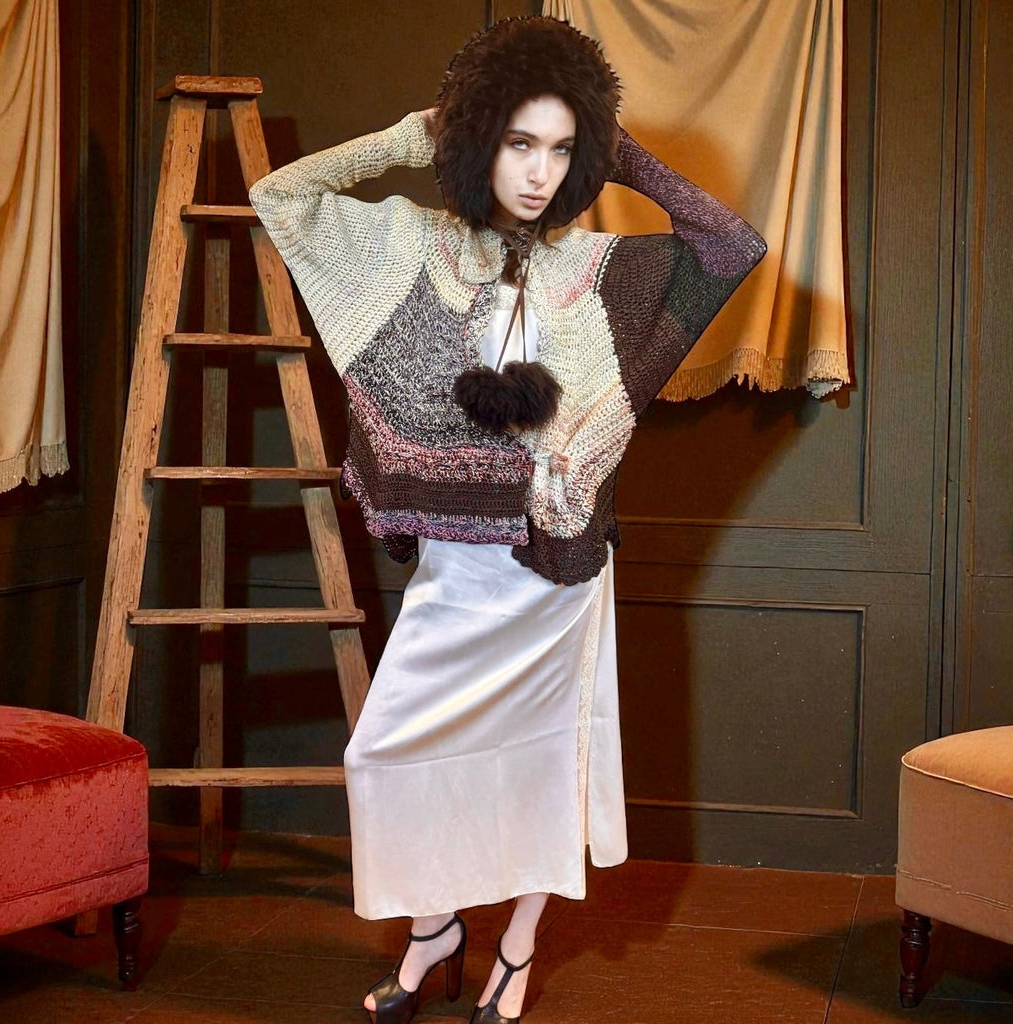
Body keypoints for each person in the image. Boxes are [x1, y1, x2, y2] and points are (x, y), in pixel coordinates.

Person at [249, 15, 766, 1024]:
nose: (539, 171)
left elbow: (730, 244)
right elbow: (280, 196)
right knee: (386, 755)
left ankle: (515, 950)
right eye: (519, 141)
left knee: (539, 771)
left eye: (563, 149)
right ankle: (436, 928)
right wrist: (404, 140)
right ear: (479, 135)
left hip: (554, 576)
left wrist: (620, 154)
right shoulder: (406, 245)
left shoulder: (602, 274)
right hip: (456, 575)